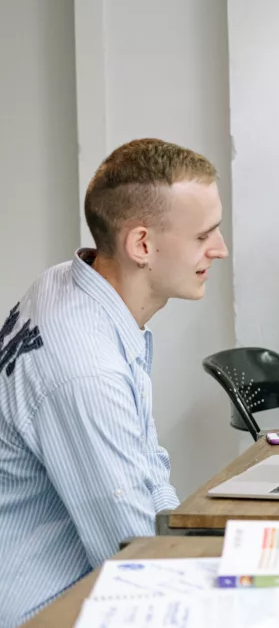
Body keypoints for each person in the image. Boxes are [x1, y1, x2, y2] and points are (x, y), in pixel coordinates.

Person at [0, 138, 229, 626]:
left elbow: (146, 471)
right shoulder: (86, 370)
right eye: (203, 235)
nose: (220, 249)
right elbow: (131, 557)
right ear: (142, 245)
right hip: (48, 605)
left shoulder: (69, 281)